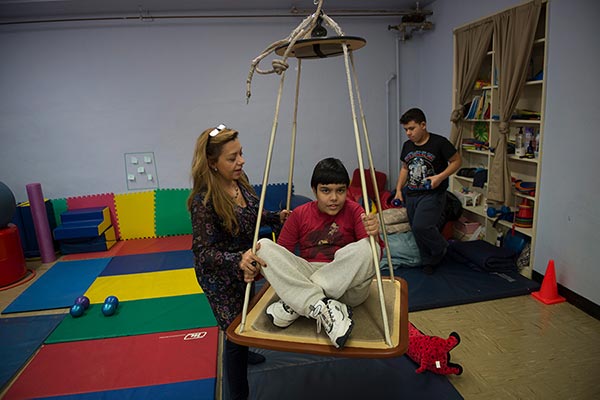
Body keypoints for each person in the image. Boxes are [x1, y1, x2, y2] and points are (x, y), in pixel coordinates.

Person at [188, 124, 290, 400]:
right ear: (212, 163)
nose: (241, 161)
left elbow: (254, 214)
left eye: (240, 153)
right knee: (234, 333)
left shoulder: (240, 181)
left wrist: (274, 217)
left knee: (246, 317)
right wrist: (238, 259)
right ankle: (239, 394)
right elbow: (203, 253)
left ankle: (245, 353)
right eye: (232, 158)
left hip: (246, 266)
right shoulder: (204, 201)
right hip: (219, 276)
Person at [239, 157, 382, 349]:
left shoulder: (355, 210)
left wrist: (375, 234)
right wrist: (255, 270)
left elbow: (369, 256)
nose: (333, 198)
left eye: (340, 191)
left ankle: (299, 302)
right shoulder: (300, 214)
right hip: (310, 271)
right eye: (326, 191)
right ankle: (322, 305)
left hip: (346, 284)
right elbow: (282, 258)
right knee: (263, 247)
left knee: (370, 247)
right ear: (314, 190)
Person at [393, 108, 462, 274]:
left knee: (421, 226)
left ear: (423, 125)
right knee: (416, 229)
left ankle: (440, 248)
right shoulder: (407, 146)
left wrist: (440, 177)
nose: (408, 133)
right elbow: (404, 168)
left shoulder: (439, 143)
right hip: (412, 193)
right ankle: (428, 261)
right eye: (406, 130)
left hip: (432, 194)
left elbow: (457, 161)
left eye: (411, 128)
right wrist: (398, 190)